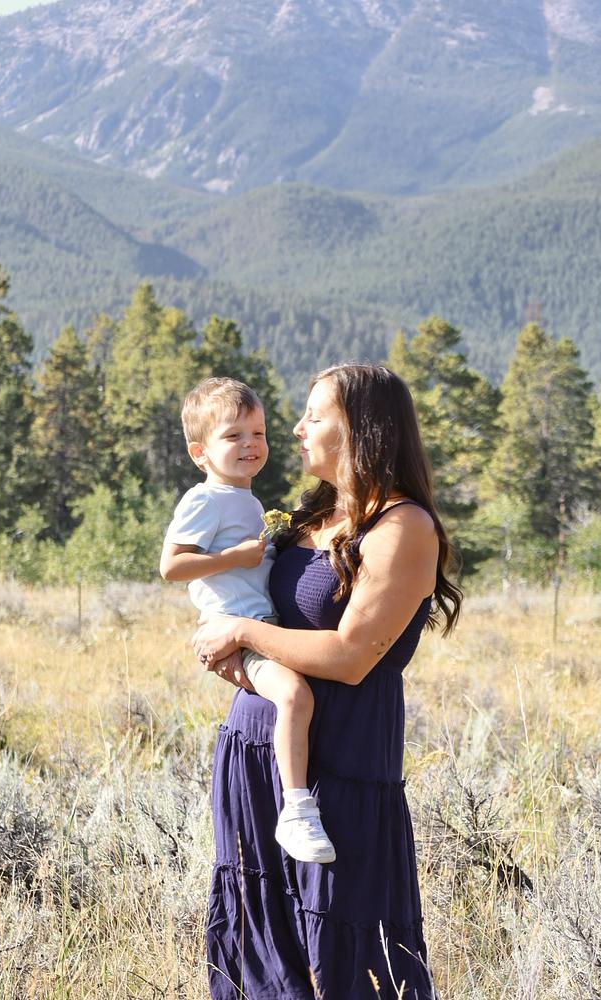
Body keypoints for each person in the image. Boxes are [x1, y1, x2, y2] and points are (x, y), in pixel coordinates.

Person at [192, 362, 462, 1000]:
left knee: (352, 954)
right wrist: (223, 642)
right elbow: (243, 605)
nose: (296, 428)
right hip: (257, 749)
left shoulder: (403, 528)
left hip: (343, 765)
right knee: (260, 942)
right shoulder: (308, 518)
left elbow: (350, 655)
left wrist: (241, 633)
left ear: (362, 429)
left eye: (314, 416)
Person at [161, 376, 336, 863]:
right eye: (233, 436)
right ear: (200, 453)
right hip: (238, 630)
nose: (249, 444)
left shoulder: (248, 500)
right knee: (295, 696)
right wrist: (236, 557)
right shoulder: (204, 499)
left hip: (261, 625)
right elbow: (171, 566)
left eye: (257, 433)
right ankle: (297, 810)